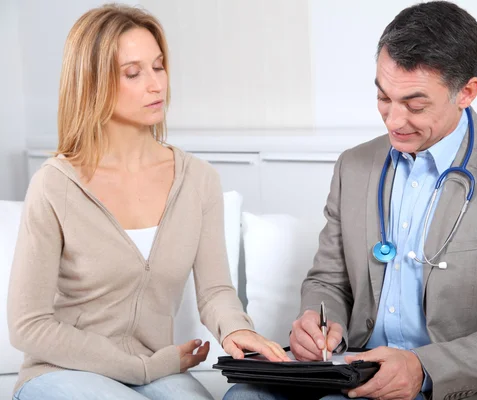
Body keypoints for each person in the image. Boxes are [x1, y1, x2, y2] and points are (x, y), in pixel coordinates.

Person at [224, 1, 477, 400]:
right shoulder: (354, 167)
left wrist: (423, 368)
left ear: (467, 92)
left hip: (454, 387)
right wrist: (320, 323)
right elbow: (327, 280)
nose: (392, 120)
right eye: (384, 98)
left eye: (415, 105)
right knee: (243, 396)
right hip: (354, 375)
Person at [7, 4, 288, 400]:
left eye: (158, 66)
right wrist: (143, 367)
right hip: (60, 372)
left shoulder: (197, 179)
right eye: (134, 73)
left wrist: (236, 329)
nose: (157, 84)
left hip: (156, 369)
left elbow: (215, 291)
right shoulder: (54, 186)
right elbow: (29, 324)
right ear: (92, 83)